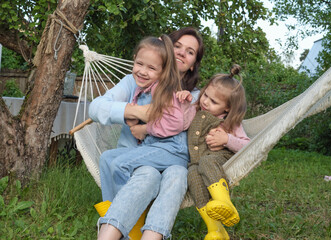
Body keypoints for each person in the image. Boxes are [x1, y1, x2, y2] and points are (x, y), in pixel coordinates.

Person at [89, 27, 204, 240]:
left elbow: (196, 124)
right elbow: (95, 108)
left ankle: (131, 231)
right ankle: (119, 222)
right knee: (122, 164)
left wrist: (146, 127)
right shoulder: (135, 82)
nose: (180, 53)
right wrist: (133, 111)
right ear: (166, 49)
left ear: (193, 64)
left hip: (170, 158)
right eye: (176, 46)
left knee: (176, 175)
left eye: (189, 52)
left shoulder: (193, 97)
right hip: (139, 160)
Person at [176, 64, 250, 239]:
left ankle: (224, 202)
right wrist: (185, 102)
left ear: (227, 108)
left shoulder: (229, 122)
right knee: (192, 175)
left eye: (214, 101)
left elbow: (247, 146)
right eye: (205, 95)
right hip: (197, 163)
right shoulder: (195, 110)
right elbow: (181, 121)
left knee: (207, 161)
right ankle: (215, 230)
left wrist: (227, 139)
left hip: (219, 159)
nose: (205, 102)